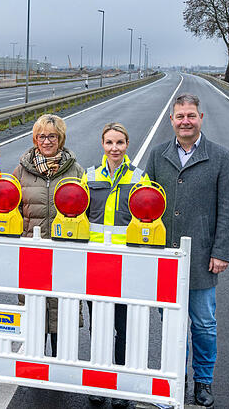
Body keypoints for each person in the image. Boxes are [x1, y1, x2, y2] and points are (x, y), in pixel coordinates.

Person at [143, 93, 229, 408]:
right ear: (171, 120)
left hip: (201, 258)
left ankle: (203, 381)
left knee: (204, 324)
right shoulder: (157, 155)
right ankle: (176, 380)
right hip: (164, 258)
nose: (186, 121)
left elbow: (228, 208)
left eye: (191, 116)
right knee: (172, 325)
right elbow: (144, 203)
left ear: (200, 118)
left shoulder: (220, 157)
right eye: (180, 116)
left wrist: (221, 251)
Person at [83, 122, 149, 408]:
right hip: (96, 263)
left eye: (119, 142)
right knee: (99, 326)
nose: (114, 148)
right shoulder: (89, 176)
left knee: (124, 327)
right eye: (109, 142)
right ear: (103, 145)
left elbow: (147, 217)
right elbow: (80, 215)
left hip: (126, 265)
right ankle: (99, 382)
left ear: (127, 144)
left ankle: (121, 386)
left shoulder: (139, 177)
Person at [12, 114, 84, 356]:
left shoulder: (75, 170)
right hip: (32, 253)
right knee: (34, 310)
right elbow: (11, 209)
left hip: (66, 254)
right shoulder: (22, 171)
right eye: (41, 136)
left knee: (62, 309)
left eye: (52, 136)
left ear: (60, 139)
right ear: (35, 139)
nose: (46, 141)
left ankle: (60, 362)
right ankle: (35, 361)